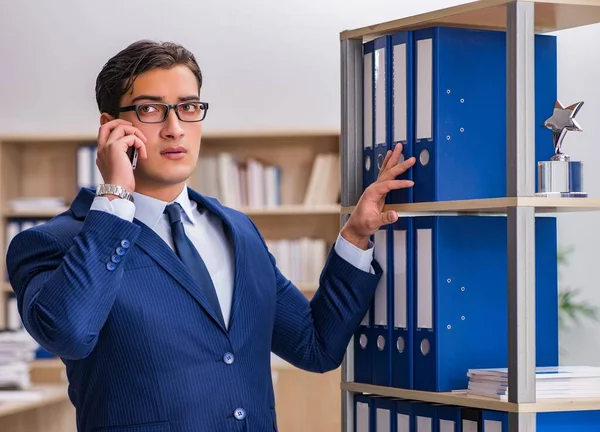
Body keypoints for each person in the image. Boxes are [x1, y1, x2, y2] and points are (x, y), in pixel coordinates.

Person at [6, 40, 415, 432]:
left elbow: (315, 346)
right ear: (110, 127)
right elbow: (71, 334)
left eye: (187, 107)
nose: (174, 128)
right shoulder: (51, 242)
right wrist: (114, 196)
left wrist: (357, 235)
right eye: (150, 109)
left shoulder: (238, 230)